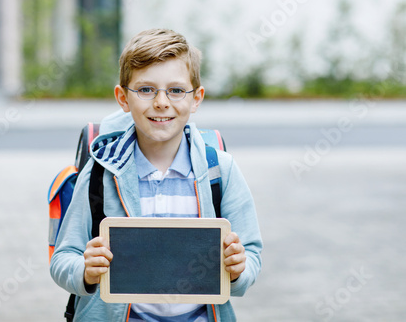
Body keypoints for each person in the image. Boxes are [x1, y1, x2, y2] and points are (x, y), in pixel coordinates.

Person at [50, 28, 262, 321]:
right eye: (146, 89)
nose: (161, 102)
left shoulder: (220, 171)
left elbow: (250, 256)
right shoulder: (100, 171)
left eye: (176, 90)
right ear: (123, 98)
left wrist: (239, 269)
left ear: (196, 98)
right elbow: (62, 259)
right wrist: (85, 272)